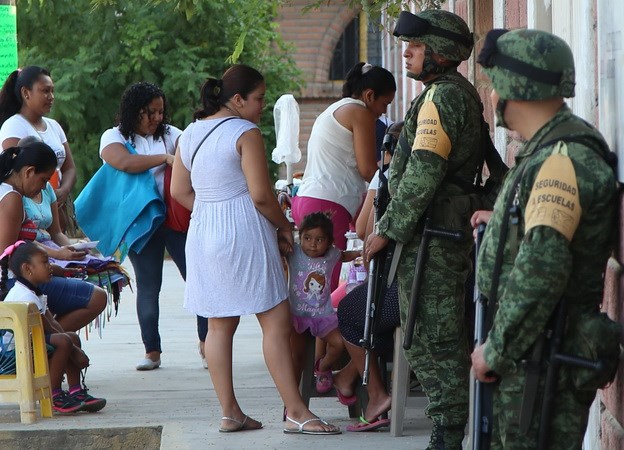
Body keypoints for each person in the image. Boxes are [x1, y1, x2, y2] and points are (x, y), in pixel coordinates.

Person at [471, 28, 620, 449]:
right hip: (533, 353)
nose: (493, 94)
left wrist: (496, 350)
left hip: (537, 359)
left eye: (495, 82)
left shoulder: (561, 161)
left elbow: (543, 270)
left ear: (518, 85)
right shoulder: (550, 152)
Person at [171, 64, 340, 434]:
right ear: (237, 100)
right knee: (276, 322)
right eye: (259, 98)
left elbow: (178, 192)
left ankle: (231, 412)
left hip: (203, 232)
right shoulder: (245, 132)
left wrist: (212, 207)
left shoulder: (190, 133)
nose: (262, 106)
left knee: (218, 325)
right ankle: (296, 410)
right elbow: (263, 197)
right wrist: (286, 227)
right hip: (243, 230)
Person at [365, 10, 483, 448]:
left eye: (417, 46)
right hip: (434, 233)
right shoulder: (447, 93)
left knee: (433, 338)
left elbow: (422, 174)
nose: (407, 52)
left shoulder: (442, 98)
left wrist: (388, 230)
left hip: (433, 236)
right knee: (429, 334)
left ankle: (448, 434)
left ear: (442, 52)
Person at [100, 82, 207, 370]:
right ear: (135, 111)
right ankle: (152, 351)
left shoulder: (172, 135)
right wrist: (164, 157)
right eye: (151, 112)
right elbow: (122, 162)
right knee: (149, 285)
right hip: (142, 222)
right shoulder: (115, 136)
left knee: (198, 279)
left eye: (161, 111)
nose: (158, 118)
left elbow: (194, 155)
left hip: (176, 219)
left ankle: (207, 344)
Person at [292, 62, 396, 291]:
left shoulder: (337, 108)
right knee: (319, 291)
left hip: (308, 199)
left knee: (310, 289)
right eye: (384, 103)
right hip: (327, 204)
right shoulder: (360, 113)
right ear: (369, 95)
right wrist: (397, 181)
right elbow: (368, 170)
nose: (384, 112)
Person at [332, 121, 404, 432]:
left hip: (406, 294)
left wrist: (380, 180)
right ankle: (348, 376)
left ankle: (376, 394)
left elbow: (365, 229)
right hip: (454, 291)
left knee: (350, 310)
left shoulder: (391, 176)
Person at [0, 142, 107, 332]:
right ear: (28, 172)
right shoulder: (12, 198)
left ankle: (51, 344)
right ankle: (49, 346)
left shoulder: (7, 192)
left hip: (16, 277)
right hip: (11, 282)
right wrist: (51, 264)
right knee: (98, 297)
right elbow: (7, 252)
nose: (43, 188)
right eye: (43, 180)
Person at [0, 241, 107, 414]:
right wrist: (76, 352)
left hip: (27, 346)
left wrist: (74, 347)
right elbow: (47, 330)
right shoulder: (24, 296)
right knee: (63, 341)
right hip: (11, 356)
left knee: (70, 337)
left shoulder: (36, 293)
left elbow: (53, 324)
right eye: (45, 262)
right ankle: (54, 393)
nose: (50, 267)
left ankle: (76, 391)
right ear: (28, 269)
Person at [285, 212, 359, 394]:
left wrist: (361, 252)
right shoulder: (294, 253)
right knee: (297, 357)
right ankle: (292, 399)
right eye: (307, 238)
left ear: (329, 241)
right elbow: (277, 247)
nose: (312, 244)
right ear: (299, 236)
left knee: (338, 344)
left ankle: (323, 367)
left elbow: (345, 256)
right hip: (297, 315)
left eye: (319, 239)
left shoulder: (332, 255)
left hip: (323, 316)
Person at [0, 66, 77, 228]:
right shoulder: (13, 126)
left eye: (52, 91)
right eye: (45, 91)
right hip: (30, 212)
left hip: (54, 204)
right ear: (26, 93)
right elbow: (21, 175)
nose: (51, 97)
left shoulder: (54, 126)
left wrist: (62, 191)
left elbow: (69, 168)